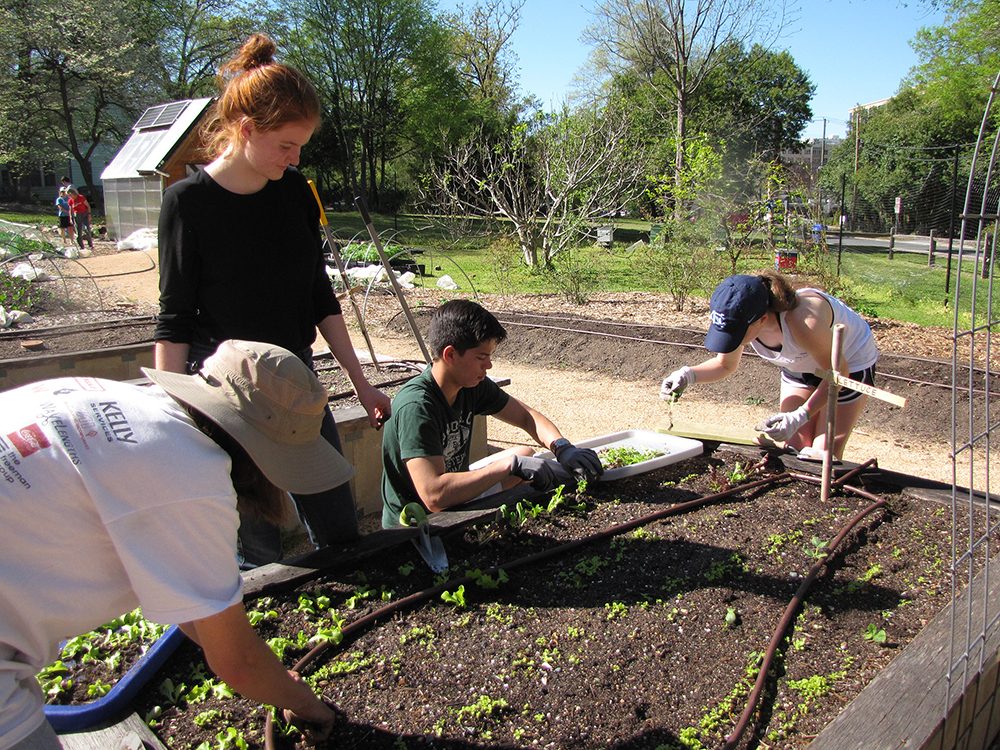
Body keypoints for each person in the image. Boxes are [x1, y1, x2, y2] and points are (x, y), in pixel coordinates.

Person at [0, 340, 344, 750]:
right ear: (260, 452)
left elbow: (190, 601)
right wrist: (310, 705)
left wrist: (276, 681)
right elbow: (239, 663)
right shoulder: (190, 476)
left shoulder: (129, 405)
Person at [154, 33, 391, 567]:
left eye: (301, 146)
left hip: (296, 386)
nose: (295, 157)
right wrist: (171, 408)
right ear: (244, 130)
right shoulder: (188, 204)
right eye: (286, 145)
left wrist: (361, 382)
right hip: (226, 396)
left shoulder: (294, 192)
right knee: (254, 551)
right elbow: (174, 319)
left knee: (339, 530)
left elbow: (318, 295)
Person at [381, 299, 604, 528]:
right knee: (516, 464)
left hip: (451, 495)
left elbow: (527, 417)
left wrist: (562, 447)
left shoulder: (470, 386)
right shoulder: (417, 407)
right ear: (450, 355)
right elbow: (434, 496)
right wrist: (509, 465)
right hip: (417, 522)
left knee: (524, 454)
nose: (488, 366)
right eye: (481, 357)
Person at [659, 271, 878, 460]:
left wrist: (801, 415)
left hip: (848, 366)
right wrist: (688, 375)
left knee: (821, 456)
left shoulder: (804, 322)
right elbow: (724, 365)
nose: (732, 339)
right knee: (794, 447)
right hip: (799, 366)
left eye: (737, 333)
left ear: (763, 319)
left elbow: (838, 374)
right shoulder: (741, 318)